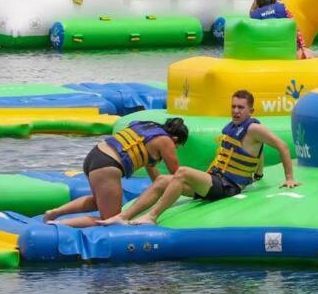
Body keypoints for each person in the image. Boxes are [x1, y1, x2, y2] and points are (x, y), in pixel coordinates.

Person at [102, 90, 300, 226]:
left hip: (227, 186)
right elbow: (257, 152)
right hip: (215, 181)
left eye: (241, 107)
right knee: (162, 179)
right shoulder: (233, 128)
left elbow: (281, 145)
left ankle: (152, 216)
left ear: (251, 111)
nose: (236, 111)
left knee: (182, 172)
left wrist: (289, 177)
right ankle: (123, 216)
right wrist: (258, 174)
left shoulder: (254, 128)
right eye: (233, 106)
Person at [43, 118, 189, 227]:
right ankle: (61, 225)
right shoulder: (166, 141)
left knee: (97, 201)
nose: (174, 149)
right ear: (175, 138)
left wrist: (161, 193)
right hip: (108, 165)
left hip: (95, 156)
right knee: (111, 219)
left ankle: (55, 213)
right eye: (177, 146)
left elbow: (153, 172)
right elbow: (177, 173)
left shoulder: (146, 128)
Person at [250, 0, 316, 59]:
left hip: (264, 51)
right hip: (286, 49)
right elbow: (295, 27)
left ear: (257, 3)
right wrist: (303, 47)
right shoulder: (282, 8)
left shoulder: (254, 15)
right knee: (313, 55)